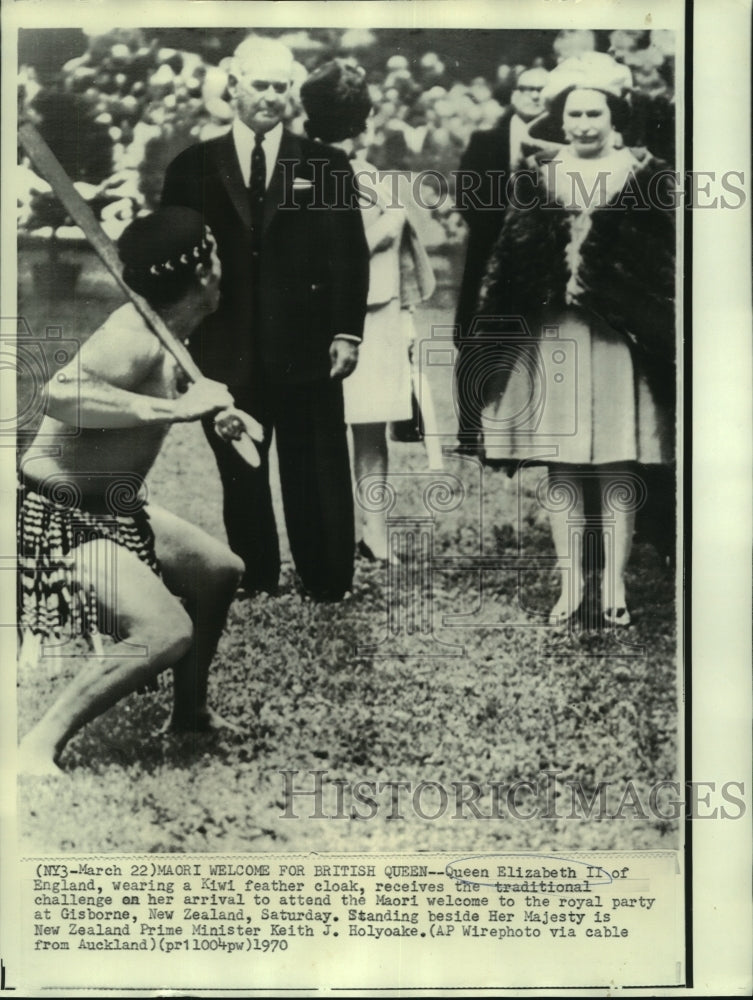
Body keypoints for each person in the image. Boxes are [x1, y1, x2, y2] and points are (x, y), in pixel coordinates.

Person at [18, 207, 249, 774]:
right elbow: (61, 393)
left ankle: (189, 714)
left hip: (118, 508)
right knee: (165, 631)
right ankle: (36, 746)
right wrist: (173, 408)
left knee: (218, 571)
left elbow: (170, 399)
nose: (224, 267)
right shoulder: (132, 335)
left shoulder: (169, 334)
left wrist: (214, 413)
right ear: (202, 272)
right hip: (59, 515)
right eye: (217, 254)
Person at [161, 36, 370, 601]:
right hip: (222, 347)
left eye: (282, 87)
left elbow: (349, 254)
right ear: (234, 86)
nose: (272, 97)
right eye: (261, 85)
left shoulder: (326, 163)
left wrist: (347, 332)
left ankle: (326, 577)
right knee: (241, 468)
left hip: (307, 348)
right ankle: (254, 574)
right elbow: (170, 264)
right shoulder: (191, 166)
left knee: (314, 467)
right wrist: (178, 344)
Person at [475, 53, 676, 627]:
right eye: (574, 113)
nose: (584, 124)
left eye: (595, 112)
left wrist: (628, 295)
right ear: (559, 119)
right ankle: (569, 583)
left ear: (616, 115)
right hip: (554, 335)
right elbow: (509, 258)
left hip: (621, 339)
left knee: (616, 459)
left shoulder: (645, 175)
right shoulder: (538, 175)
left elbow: (664, 264)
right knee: (562, 462)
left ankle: (612, 584)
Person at [300, 60, 435, 562]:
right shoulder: (316, 170)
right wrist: (391, 221)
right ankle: (357, 533)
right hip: (346, 311)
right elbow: (335, 246)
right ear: (365, 117)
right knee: (354, 428)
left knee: (368, 424)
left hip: (374, 309)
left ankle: (372, 534)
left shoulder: (364, 174)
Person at [453, 66, 550, 456]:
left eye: (541, 90)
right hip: (490, 253)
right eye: (526, 89)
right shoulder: (486, 140)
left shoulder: (560, 139)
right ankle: (468, 432)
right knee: (475, 341)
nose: (533, 97)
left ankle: (524, 436)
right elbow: (466, 196)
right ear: (514, 95)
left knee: (532, 341)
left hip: (538, 256)